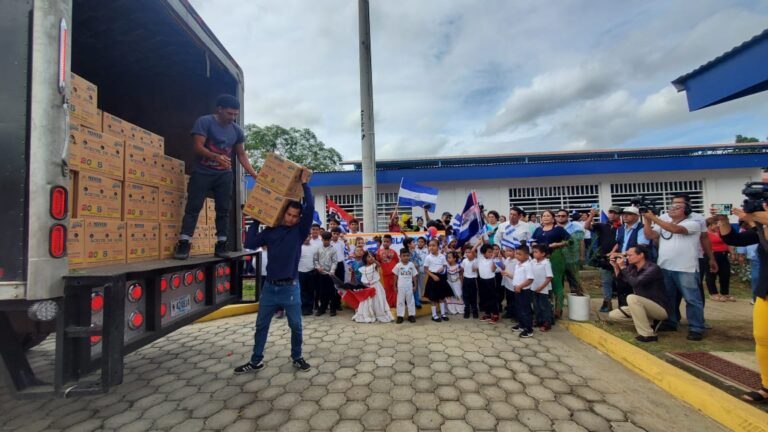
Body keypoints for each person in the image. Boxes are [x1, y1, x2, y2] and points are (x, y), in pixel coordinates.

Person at [235, 170, 313, 374]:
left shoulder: (299, 232)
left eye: (295, 216)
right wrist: (256, 220)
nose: (291, 219)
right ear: (283, 213)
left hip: (290, 288)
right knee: (261, 326)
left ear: (299, 218)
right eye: (289, 214)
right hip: (269, 288)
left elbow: (311, 207)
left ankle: (297, 357)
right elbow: (250, 243)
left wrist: (304, 184)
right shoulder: (270, 232)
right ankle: (255, 361)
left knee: (296, 326)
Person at [175, 94, 259, 259]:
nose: (232, 117)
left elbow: (241, 154)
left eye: (235, 114)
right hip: (202, 171)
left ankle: (221, 244)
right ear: (219, 109)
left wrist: (254, 174)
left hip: (224, 175)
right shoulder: (205, 122)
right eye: (229, 113)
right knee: (193, 207)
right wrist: (216, 157)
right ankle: (184, 243)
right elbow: (197, 146)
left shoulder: (237, 131)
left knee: (223, 210)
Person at [715, 205, 768, 403]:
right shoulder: (761, 229)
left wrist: (752, 219)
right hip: (765, 291)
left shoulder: (760, 227)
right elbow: (734, 240)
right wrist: (723, 221)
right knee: (762, 338)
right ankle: (767, 386)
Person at [643, 202, 706, 341]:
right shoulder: (664, 223)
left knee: (692, 299)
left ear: (686, 211)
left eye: (677, 208)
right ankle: (671, 321)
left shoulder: (692, 223)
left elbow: (676, 229)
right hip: (666, 267)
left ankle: (696, 327)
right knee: (668, 297)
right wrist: (647, 220)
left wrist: (654, 218)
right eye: (671, 207)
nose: (672, 209)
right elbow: (649, 235)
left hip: (686, 268)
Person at [607, 245, 672, 343]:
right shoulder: (632, 268)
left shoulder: (653, 268)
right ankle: (648, 323)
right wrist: (616, 267)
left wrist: (623, 267)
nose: (627, 258)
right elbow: (622, 284)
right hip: (640, 305)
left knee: (632, 298)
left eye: (630, 255)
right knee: (614, 315)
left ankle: (648, 335)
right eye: (627, 255)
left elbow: (635, 283)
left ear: (641, 255)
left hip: (660, 308)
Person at [531, 210, 570, 318]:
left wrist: (557, 244)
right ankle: (545, 309)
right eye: (543, 216)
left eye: (548, 216)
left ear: (553, 218)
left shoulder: (558, 229)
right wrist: (534, 244)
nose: (545, 217)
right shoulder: (538, 229)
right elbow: (532, 240)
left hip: (555, 258)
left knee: (556, 283)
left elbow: (569, 241)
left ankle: (558, 310)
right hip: (539, 260)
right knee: (542, 283)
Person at [610, 206, 651, 308]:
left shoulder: (641, 228)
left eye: (629, 214)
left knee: (637, 290)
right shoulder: (620, 229)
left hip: (636, 265)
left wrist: (621, 254)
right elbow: (619, 243)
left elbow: (642, 246)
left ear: (637, 216)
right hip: (622, 263)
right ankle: (623, 311)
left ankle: (637, 311)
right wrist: (612, 253)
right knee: (621, 288)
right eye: (624, 214)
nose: (625, 216)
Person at [584, 205, 621, 312]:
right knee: (606, 281)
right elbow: (587, 226)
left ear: (619, 215)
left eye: (615, 213)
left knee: (621, 282)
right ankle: (607, 303)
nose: (612, 215)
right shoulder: (602, 225)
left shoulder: (622, 227)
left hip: (619, 258)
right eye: (610, 212)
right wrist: (591, 215)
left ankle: (622, 304)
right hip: (605, 258)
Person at [355, 251, 394, 323]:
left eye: (372, 256)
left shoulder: (374, 265)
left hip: (376, 287)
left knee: (377, 300)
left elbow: (379, 264)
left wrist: (374, 260)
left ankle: (379, 314)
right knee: (367, 301)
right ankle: (369, 314)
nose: (371, 258)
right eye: (369, 257)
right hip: (367, 287)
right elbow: (363, 278)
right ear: (365, 258)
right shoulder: (363, 268)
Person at [555, 208, 584, 296]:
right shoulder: (553, 227)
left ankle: (577, 301)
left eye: (563, 216)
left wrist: (582, 256)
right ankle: (559, 302)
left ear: (568, 217)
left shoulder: (576, 227)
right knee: (558, 283)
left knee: (574, 282)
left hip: (572, 259)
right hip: (558, 260)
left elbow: (581, 242)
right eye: (558, 216)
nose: (560, 218)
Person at [705, 218, 733, 301]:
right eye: (715, 224)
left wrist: (732, 252)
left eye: (718, 223)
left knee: (725, 274)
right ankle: (713, 293)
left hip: (724, 255)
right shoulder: (705, 234)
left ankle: (724, 293)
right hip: (712, 255)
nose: (718, 225)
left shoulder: (721, 232)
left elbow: (727, 242)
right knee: (711, 275)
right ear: (709, 226)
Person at [424, 239, 452, 322]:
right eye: (430, 246)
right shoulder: (428, 257)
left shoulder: (442, 256)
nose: (431, 247)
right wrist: (433, 276)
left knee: (442, 297)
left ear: (438, 247)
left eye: (433, 245)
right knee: (433, 298)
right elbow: (426, 269)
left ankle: (443, 314)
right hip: (432, 278)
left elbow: (445, 265)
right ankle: (434, 315)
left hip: (441, 278)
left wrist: (442, 268)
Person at [510, 247, 535, 338]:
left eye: (519, 254)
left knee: (525, 310)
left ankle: (529, 329)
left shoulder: (527, 265)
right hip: (517, 290)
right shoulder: (518, 264)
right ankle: (521, 325)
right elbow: (517, 276)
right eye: (516, 253)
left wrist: (520, 286)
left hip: (524, 291)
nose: (517, 256)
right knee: (519, 308)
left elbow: (530, 279)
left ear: (527, 256)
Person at [313, 231, 338, 317]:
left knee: (332, 292)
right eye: (324, 240)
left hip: (330, 274)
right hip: (321, 274)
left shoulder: (333, 250)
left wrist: (332, 270)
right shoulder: (318, 248)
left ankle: (333, 309)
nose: (326, 241)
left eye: (328, 240)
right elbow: (315, 260)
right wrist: (318, 267)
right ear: (322, 239)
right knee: (322, 292)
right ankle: (322, 308)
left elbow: (335, 262)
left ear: (330, 239)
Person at [530, 244, 553, 332]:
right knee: (536, 305)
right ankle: (538, 320)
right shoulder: (533, 262)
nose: (534, 254)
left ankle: (547, 322)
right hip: (534, 287)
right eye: (533, 252)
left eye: (536, 252)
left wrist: (541, 287)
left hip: (544, 289)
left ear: (543, 254)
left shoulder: (546, 263)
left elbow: (549, 277)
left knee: (544, 306)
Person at [476, 244, 499, 323]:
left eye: (491, 252)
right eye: (489, 252)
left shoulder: (494, 259)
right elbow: (472, 251)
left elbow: (494, 269)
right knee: (484, 297)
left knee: (492, 298)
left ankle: (495, 314)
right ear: (483, 253)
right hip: (482, 280)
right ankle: (488, 314)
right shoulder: (480, 258)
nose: (491, 253)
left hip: (491, 281)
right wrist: (478, 243)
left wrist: (494, 260)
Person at [393, 249, 418, 323]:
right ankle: (400, 316)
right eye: (404, 256)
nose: (406, 257)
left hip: (409, 286)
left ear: (409, 256)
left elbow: (414, 276)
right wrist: (394, 286)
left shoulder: (411, 264)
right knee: (400, 301)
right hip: (400, 287)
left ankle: (411, 316)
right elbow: (395, 276)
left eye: (407, 255)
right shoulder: (398, 265)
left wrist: (415, 285)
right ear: (400, 256)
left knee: (410, 301)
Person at [376, 234, 398, 307]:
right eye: (384, 241)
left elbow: (397, 262)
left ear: (391, 243)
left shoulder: (393, 252)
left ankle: (395, 303)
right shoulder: (379, 252)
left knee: (394, 288)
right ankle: (389, 304)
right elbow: (378, 262)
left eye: (387, 242)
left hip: (394, 274)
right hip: (385, 274)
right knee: (387, 289)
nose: (385, 243)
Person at [297, 236, 317, 316]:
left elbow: (316, 259)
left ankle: (310, 308)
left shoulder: (314, 247)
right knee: (302, 291)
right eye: (305, 237)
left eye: (308, 236)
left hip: (311, 272)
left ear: (310, 237)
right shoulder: (298, 247)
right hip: (300, 272)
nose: (306, 238)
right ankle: (303, 308)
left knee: (311, 290)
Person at [460, 246, 479, 319]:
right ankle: (466, 311)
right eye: (466, 252)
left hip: (473, 280)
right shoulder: (464, 261)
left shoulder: (476, 260)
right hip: (466, 279)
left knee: (473, 296)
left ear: (474, 253)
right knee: (466, 296)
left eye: (469, 252)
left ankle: (475, 311)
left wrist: (475, 266)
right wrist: (462, 280)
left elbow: (475, 269)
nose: (467, 254)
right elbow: (462, 270)